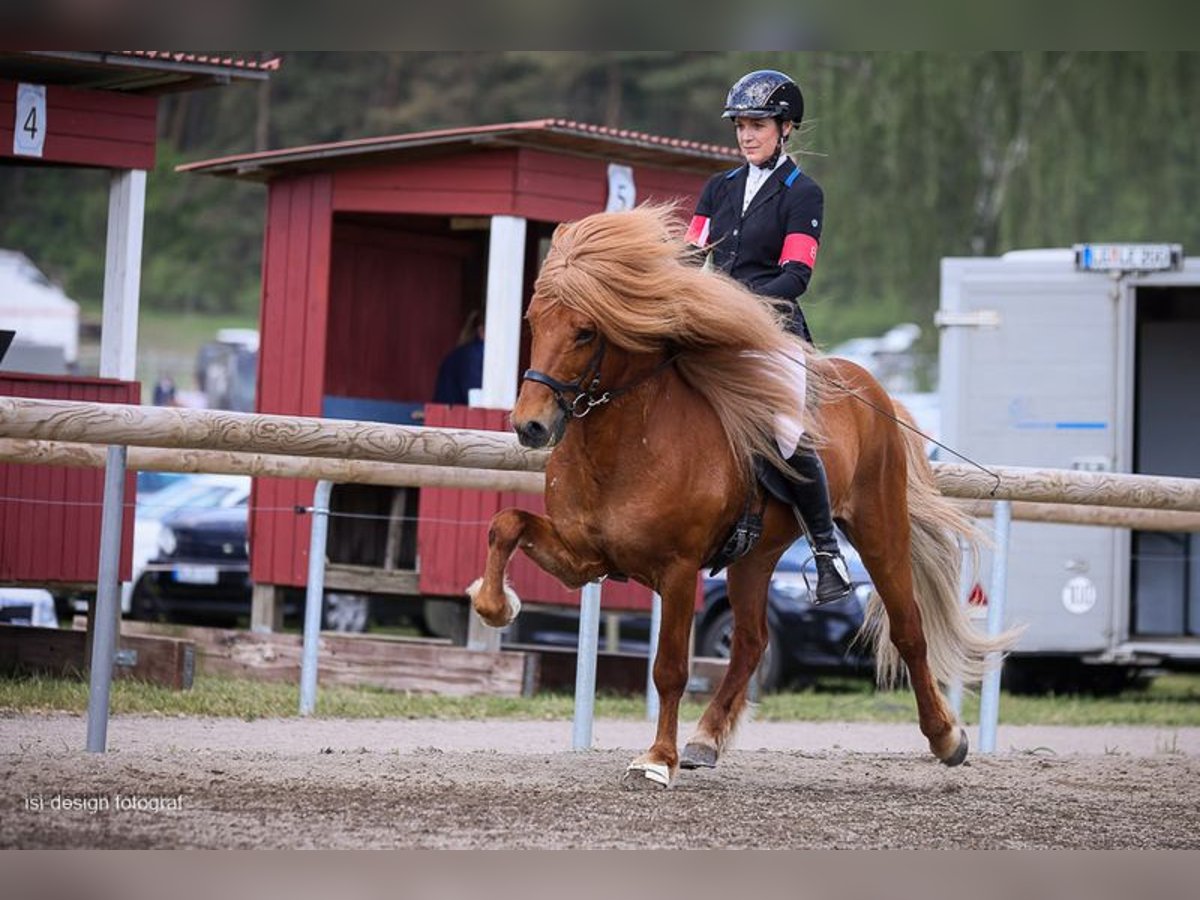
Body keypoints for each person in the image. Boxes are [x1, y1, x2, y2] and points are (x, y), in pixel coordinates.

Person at [687, 68, 851, 605]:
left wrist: (741, 307)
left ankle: (826, 553)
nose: (746, 135)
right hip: (715, 325)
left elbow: (796, 276)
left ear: (785, 128)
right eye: (740, 125)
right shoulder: (719, 188)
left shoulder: (803, 194)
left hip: (774, 330)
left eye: (757, 124)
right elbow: (692, 257)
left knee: (785, 432)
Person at [433, 310, 485, 405]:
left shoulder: (464, 353)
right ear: (481, 331)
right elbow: (475, 396)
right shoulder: (474, 355)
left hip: (444, 415)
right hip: (455, 416)